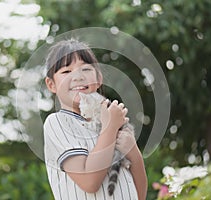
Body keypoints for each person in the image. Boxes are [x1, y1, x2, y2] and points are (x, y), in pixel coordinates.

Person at [43, 38, 147, 200]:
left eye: (85, 69)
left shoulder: (113, 124)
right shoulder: (58, 123)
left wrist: (134, 152)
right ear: (51, 85)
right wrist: (110, 127)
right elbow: (89, 182)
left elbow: (139, 195)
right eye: (66, 71)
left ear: (98, 78)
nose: (77, 77)